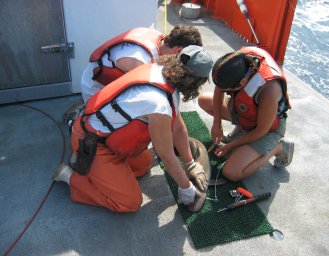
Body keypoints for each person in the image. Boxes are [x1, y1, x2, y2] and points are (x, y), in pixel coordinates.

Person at [54, 45, 214, 213]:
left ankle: (102, 173)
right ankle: (72, 177)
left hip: (107, 138)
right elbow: (166, 155)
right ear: (195, 82)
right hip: (92, 142)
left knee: (143, 164)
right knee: (129, 202)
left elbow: (178, 127)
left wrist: (189, 164)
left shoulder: (159, 70)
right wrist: (185, 187)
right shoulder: (158, 104)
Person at [198, 46, 294, 182]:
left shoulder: (270, 90)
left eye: (227, 90)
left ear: (242, 83)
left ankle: (279, 148)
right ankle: (242, 130)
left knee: (232, 172)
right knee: (204, 100)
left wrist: (231, 145)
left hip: (268, 128)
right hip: (246, 113)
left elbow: (261, 130)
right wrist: (216, 123)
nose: (224, 92)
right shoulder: (239, 61)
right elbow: (219, 89)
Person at [81, 24, 203, 102]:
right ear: (179, 50)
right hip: (95, 90)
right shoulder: (139, 60)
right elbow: (138, 97)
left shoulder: (159, 38)